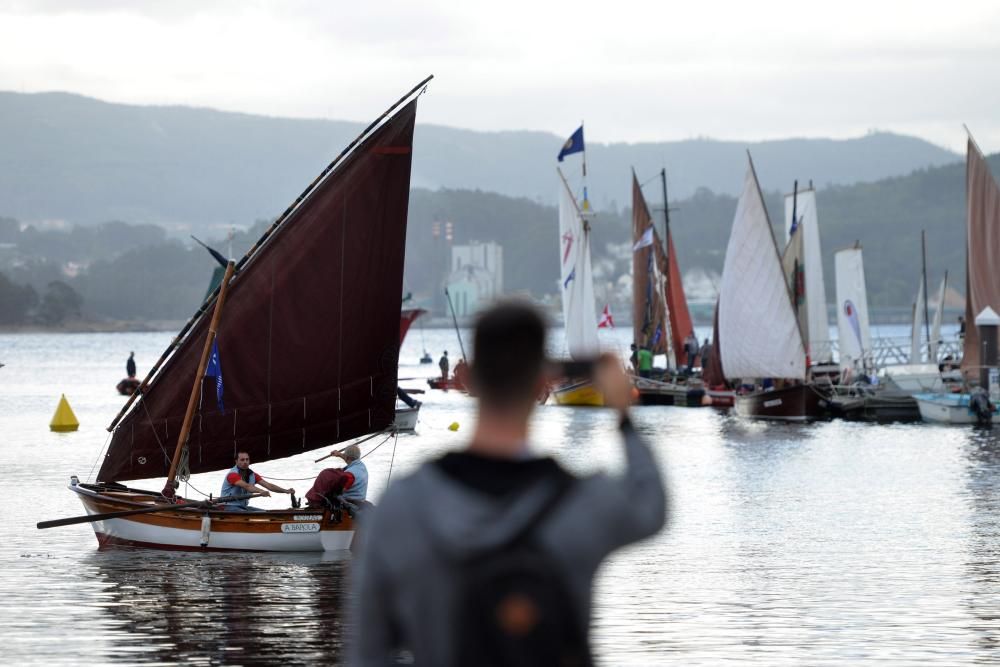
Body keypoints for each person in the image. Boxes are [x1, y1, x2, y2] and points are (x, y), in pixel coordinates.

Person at [351, 301, 666, 666]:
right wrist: (623, 415)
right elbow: (651, 505)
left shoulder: (404, 506)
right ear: (541, 385)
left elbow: (366, 655)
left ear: (469, 381)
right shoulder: (582, 503)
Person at [220, 451, 295, 511]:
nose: (245, 462)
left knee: (265, 513)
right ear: (236, 461)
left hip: (242, 507)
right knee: (251, 515)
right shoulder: (232, 475)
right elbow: (247, 486)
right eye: (242, 460)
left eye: (247, 459)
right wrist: (261, 491)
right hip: (227, 506)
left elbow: (269, 486)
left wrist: (286, 491)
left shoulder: (253, 475)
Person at [305, 444, 369, 508]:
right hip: (360, 499)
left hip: (349, 502)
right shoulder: (362, 467)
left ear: (347, 457)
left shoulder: (349, 475)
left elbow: (341, 491)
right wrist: (339, 454)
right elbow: (349, 458)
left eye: (345, 455)